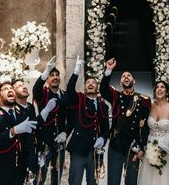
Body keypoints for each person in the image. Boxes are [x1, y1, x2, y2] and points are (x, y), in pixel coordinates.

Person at [99, 58, 151, 185]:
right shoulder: (115, 96)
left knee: (131, 182)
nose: (126, 77)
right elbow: (103, 89)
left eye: (129, 76)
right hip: (116, 145)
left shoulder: (144, 100)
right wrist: (109, 70)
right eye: (123, 76)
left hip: (134, 146)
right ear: (121, 81)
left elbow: (145, 126)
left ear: (134, 81)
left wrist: (142, 146)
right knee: (113, 182)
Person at [66, 56, 110, 185]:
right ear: (85, 87)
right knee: (75, 181)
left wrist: (103, 138)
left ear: (97, 88)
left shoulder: (103, 105)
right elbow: (69, 91)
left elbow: (106, 128)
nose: (91, 84)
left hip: (95, 151)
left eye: (93, 83)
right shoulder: (78, 99)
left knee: (93, 182)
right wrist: (76, 71)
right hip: (79, 149)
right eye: (88, 83)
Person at [0, 82, 38, 185]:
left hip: (20, 173)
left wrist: (32, 167)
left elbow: (29, 144)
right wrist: (14, 131)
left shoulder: (22, 115)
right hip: (0, 174)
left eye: (11, 88)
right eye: (5, 89)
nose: (10, 90)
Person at [137, 81, 169, 185]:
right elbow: (144, 128)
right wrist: (143, 146)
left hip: (167, 150)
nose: (159, 89)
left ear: (166, 91)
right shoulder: (149, 108)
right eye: (157, 87)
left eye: (162, 87)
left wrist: (165, 145)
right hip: (150, 149)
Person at [33, 56, 69, 185]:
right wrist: (46, 70)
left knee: (57, 176)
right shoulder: (43, 93)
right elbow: (36, 89)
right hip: (44, 140)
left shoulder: (65, 95)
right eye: (51, 75)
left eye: (57, 75)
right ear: (47, 79)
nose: (55, 77)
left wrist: (65, 132)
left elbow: (71, 119)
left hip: (59, 140)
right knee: (41, 176)